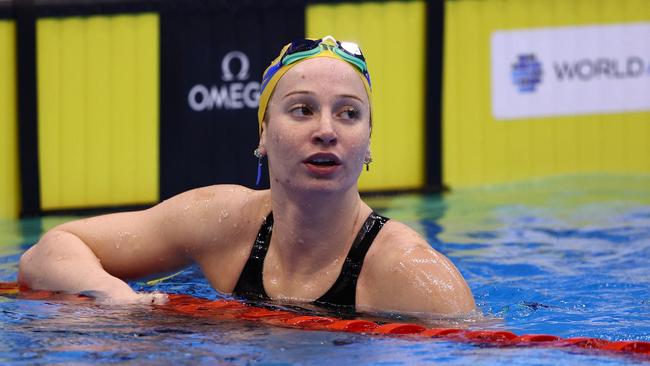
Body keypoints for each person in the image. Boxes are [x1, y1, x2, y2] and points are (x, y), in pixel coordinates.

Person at [18, 36, 476, 316]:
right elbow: (47, 253)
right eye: (302, 109)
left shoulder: (411, 276)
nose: (325, 131)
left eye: (348, 114)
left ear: (368, 141)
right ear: (263, 133)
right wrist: (114, 299)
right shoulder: (220, 220)